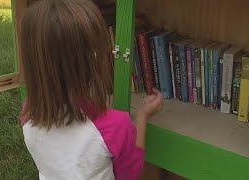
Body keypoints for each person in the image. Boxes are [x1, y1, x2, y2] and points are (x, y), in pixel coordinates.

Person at [19, 0, 163, 179]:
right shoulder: (115, 126)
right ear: (92, 61)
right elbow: (130, 175)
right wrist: (142, 116)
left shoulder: (28, 110)